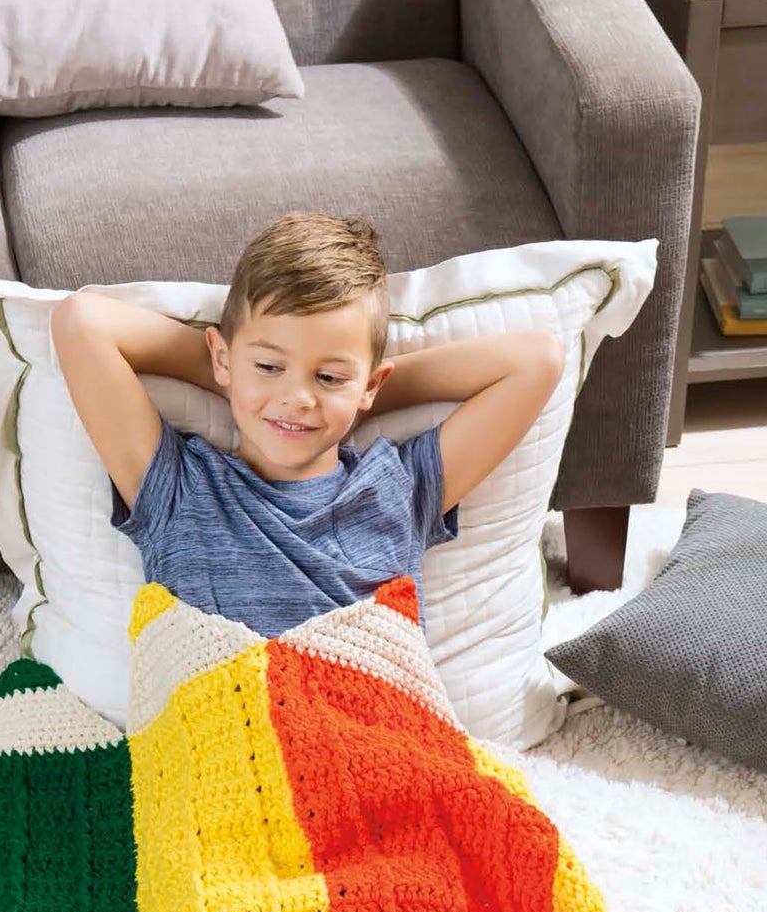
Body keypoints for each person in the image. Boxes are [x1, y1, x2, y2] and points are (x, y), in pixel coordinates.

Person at [50, 210, 566, 637]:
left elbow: (536, 361)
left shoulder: (399, 488)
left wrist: (356, 394)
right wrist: (240, 382)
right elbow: (81, 322)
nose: (297, 399)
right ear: (222, 358)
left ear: (371, 384)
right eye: (268, 365)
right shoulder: (179, 489)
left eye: (328, 376)